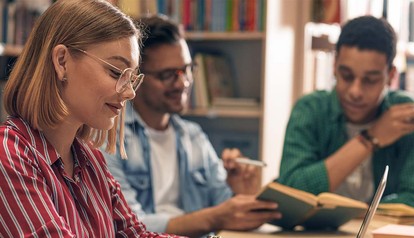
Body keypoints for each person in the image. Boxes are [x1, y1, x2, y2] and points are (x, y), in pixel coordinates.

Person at [0, 1, 183, 237]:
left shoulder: (90, 159)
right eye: (117, 72)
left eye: (132, 78)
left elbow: (136, 234)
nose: (130, 92)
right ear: (62, 61)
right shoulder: (8, 156)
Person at [103, 14, 282, 238]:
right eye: (168, 75)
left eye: (187, 69)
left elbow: (227, 211)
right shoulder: (110, 138)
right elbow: (128, 226)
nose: (183, 83)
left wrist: (240, 190)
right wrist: (214, 218)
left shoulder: (193, 136)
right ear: (136, 78)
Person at [277, 15, 414, 208]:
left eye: (370, 80)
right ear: (334, 66)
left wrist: (358, 216)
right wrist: (370, 138)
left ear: (391, 76)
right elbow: (290, 193)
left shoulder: (404, 114)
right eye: (346, 76)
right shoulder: (310, 109)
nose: (355, 91)